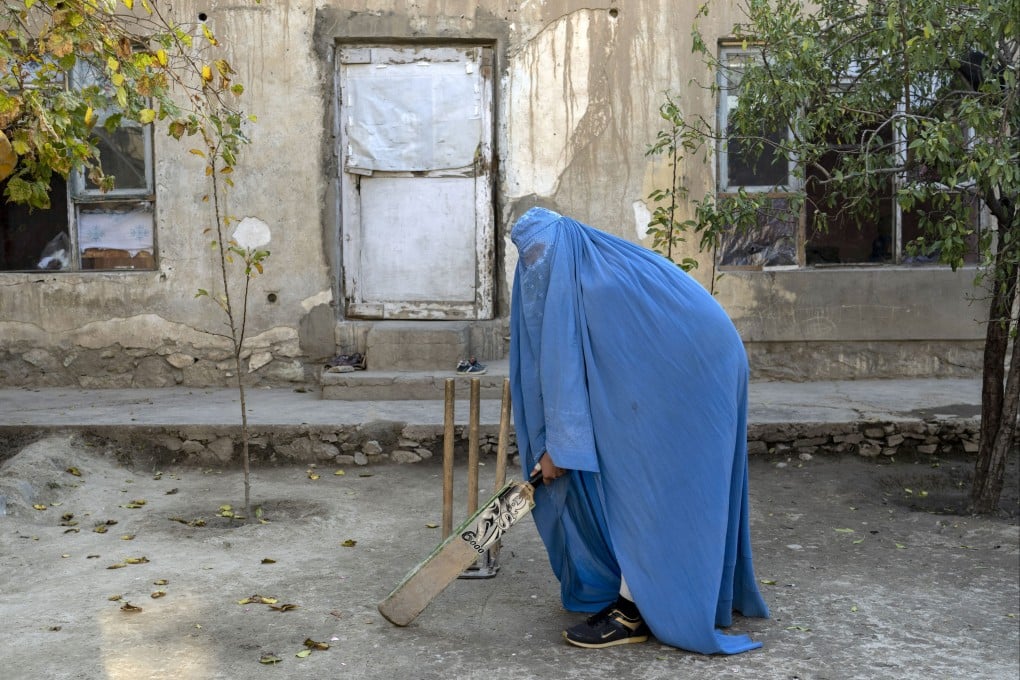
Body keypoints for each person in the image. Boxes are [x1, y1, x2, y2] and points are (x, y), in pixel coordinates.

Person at [508, 206, 770, 654]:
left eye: (540, 253)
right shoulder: (589, 265)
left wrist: (560, 450)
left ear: (564, 244)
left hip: (696, 366)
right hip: (692, 354)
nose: (535, 266)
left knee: (650, 482)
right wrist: (560, 448)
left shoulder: (598, 285)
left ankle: (634, 610)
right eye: (526, 257)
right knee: (645, 476)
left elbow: (572, 377)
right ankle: (668, 590)